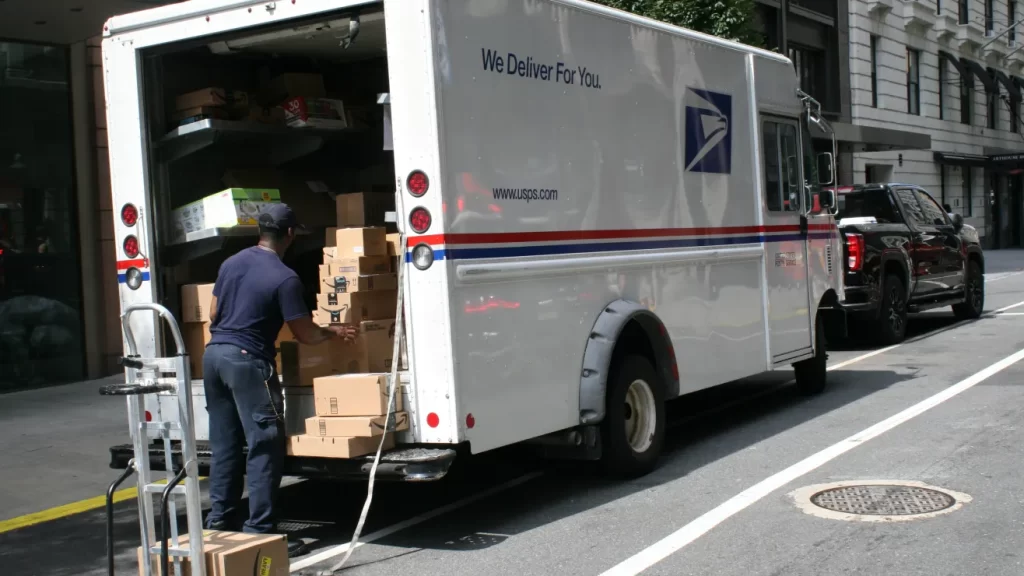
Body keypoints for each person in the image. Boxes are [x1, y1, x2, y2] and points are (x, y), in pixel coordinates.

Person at [202, 204, 356, 557]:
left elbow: (212, 313)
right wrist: (334, 331)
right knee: (264, 443)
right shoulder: (284, 278)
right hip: (247, 362)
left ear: (261, 231)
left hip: (214, 357)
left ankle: (219, 524)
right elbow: (306, 336)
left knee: (225, 444)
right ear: (290, 234)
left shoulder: (231, 264)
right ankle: (260, 530)